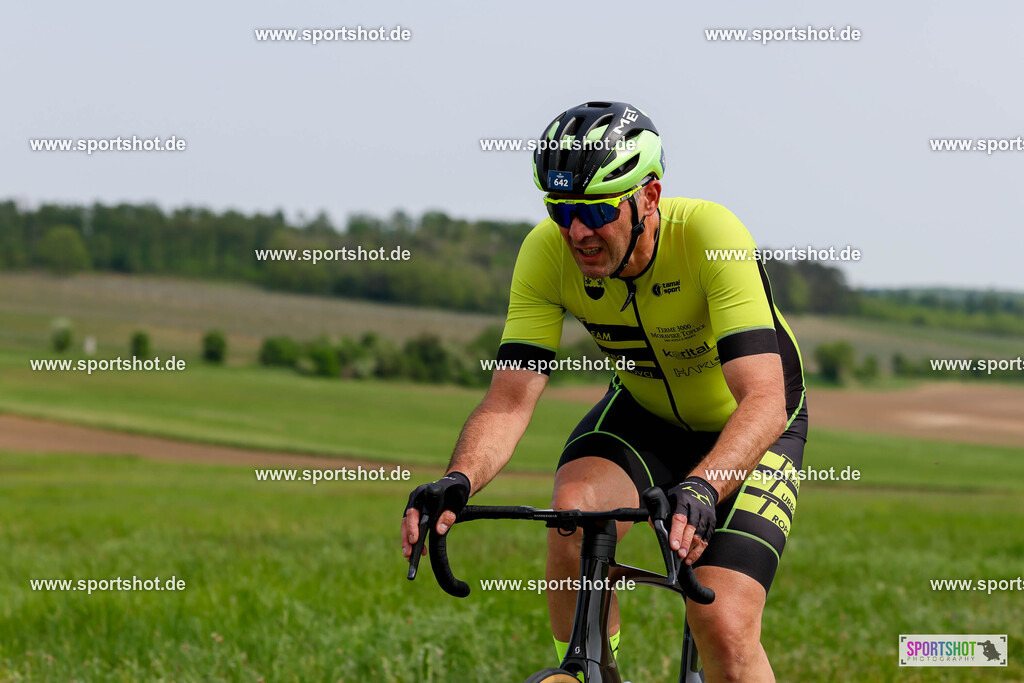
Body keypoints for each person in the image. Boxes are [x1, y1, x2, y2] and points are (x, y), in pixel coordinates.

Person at [403, 101, 807, 682]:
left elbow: (764, 399)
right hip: (645, 414)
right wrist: (457, 480)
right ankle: (595, 670)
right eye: (560, 208)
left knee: (721, 620)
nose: (576, 232)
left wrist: (702, 486)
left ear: (649, 195)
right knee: (572, 516)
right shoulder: (545, 253)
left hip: (753, 424)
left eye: (594, 210)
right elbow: (509, 401)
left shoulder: (711, 235)